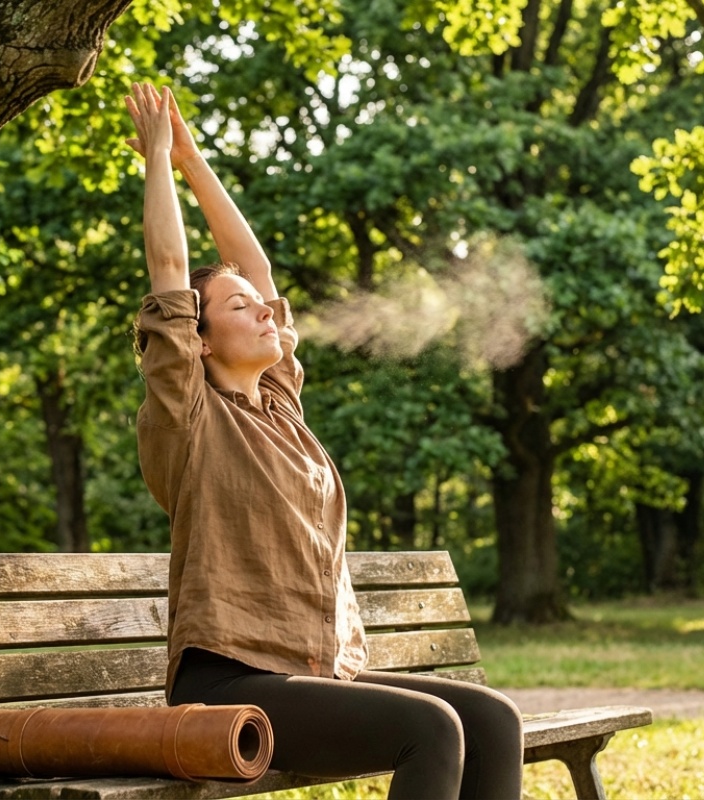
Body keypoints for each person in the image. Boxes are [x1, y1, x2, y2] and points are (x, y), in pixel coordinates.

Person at [124, 81, 524, 800]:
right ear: (200, 343)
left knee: (492, 718)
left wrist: (193, 160)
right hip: (229, 681)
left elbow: (260, 269)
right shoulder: (189, 417)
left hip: (311, 671)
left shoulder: (279, 408)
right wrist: (156, 158)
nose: (266, 310)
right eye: (239, 307)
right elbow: (172, 275)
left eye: (263, 305)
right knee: (432, 729)